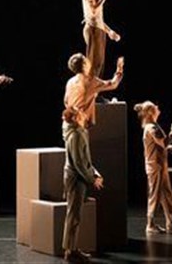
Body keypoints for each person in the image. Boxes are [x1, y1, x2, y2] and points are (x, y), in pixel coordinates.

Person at [134, 100, 172, 235]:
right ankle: (150, 225)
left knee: (167, 194)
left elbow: (159, 146)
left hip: (159, 165)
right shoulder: (152, 128)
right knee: (155, 196)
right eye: (155, 107)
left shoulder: (153, 126)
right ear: (151, 112)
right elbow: (163, 143)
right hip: (155, 166)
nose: (157, 107)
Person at [62, 107, 103, 262]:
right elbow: (79, 163)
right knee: (73, 215)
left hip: (77, 176)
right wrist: (92, 179)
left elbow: (85, 160)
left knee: (74, 214)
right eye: (80, 114)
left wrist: (95, 173)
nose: (84, 115)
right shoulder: (76, 135)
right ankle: (70, 251)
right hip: (76, 178)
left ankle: (71, 248)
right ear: (75, 118)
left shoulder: (78, 132)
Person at [77, 0, 121, 79]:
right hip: (93, 30)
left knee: (98, 65)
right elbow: (93, 12)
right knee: (94, 66)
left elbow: (96, 18)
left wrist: (109, 31)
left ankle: (95, 89)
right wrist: (103, 0)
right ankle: (90, 90)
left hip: (96, 29)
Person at [64, 52, 124, 126]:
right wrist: (119, 69)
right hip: (81, 125)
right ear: (84, 65)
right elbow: (113, 84)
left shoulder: (70, 82)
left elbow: (66, 102)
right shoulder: (90, 81)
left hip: (68, 124)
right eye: (86, 60)